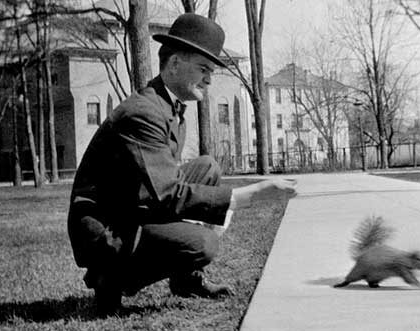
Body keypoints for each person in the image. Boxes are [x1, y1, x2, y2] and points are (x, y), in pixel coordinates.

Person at [67, 13, 297, 315]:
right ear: (174, 64)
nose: (209, 78)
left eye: (211, 70)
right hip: (108, 228)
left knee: (207, 167)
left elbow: (163, 186)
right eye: (203, 68)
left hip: (132, 206)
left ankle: (185, 280)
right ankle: (112, 278)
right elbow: (166, 194)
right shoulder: (143, 112)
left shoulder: (170, 109)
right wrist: (249, 196)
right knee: (204, 244)